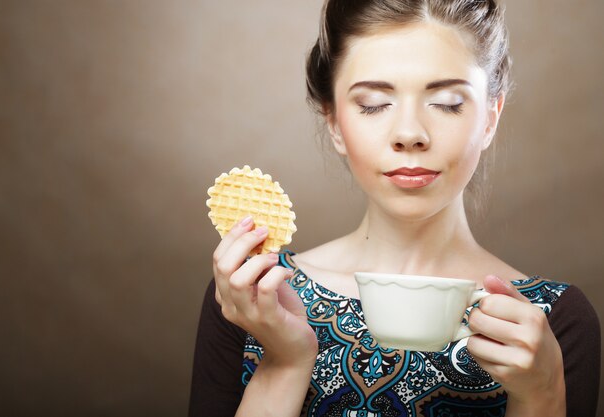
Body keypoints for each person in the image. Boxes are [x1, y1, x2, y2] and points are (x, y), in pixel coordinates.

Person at [189, 1, 601, 416]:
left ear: (490, 118)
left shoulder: (552, 323)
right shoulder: (253, 298)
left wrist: (542, 394)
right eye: (372, 104)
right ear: (333, 121)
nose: (409, 134)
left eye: (446, 102)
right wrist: (284, 362)